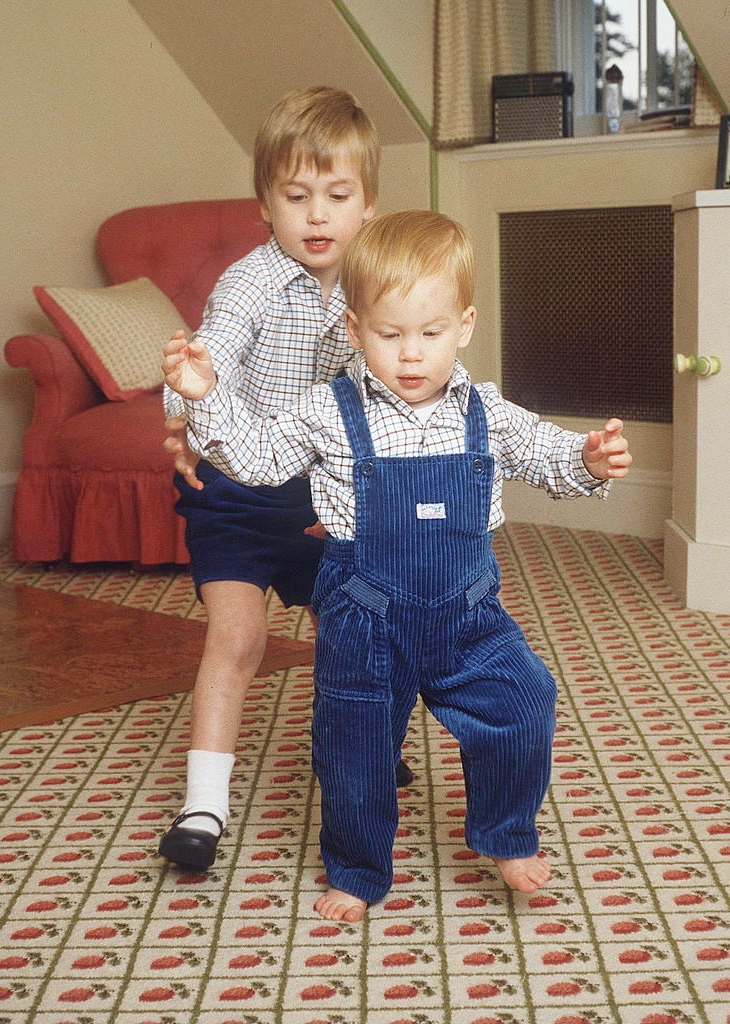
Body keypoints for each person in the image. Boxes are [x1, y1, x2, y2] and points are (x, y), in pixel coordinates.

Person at [162, 209, 633, 920]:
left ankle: (505, 835)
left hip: (469, 614)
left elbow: (546, 453)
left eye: (430, 333)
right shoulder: (326, 410)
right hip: (363, 619)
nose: (411, 355)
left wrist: (588, 460)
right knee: (353, 750)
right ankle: (356, 868)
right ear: (355, 330)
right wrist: (207, 399)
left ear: (464, 326)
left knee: (526, 700)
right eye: (389, 335)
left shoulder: (486, 409)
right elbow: (257, 458)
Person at [157, 85, 416, 874]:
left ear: (367, 203)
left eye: (337, 196)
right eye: (295, 197)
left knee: (372, 630)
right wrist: (185, 406)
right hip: (235, 496)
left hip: (327, 499)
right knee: (236, 639)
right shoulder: (250, 284)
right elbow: (208, 356)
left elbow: (406, 374)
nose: (316, 216)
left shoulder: (377, 284)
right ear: (264, 204)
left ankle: (362, 746)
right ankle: (203, 805)